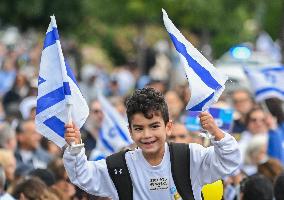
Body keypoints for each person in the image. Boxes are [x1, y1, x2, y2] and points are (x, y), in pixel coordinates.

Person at [63, 87, 240, 200]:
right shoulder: (118, 165)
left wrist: (215, 132)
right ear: (130, 132)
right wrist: (75, 146)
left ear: (168, 127)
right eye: (139, 128)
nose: (147, 135)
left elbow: (229, 160)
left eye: (154, 126)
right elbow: (82, 176)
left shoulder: (190, 156)